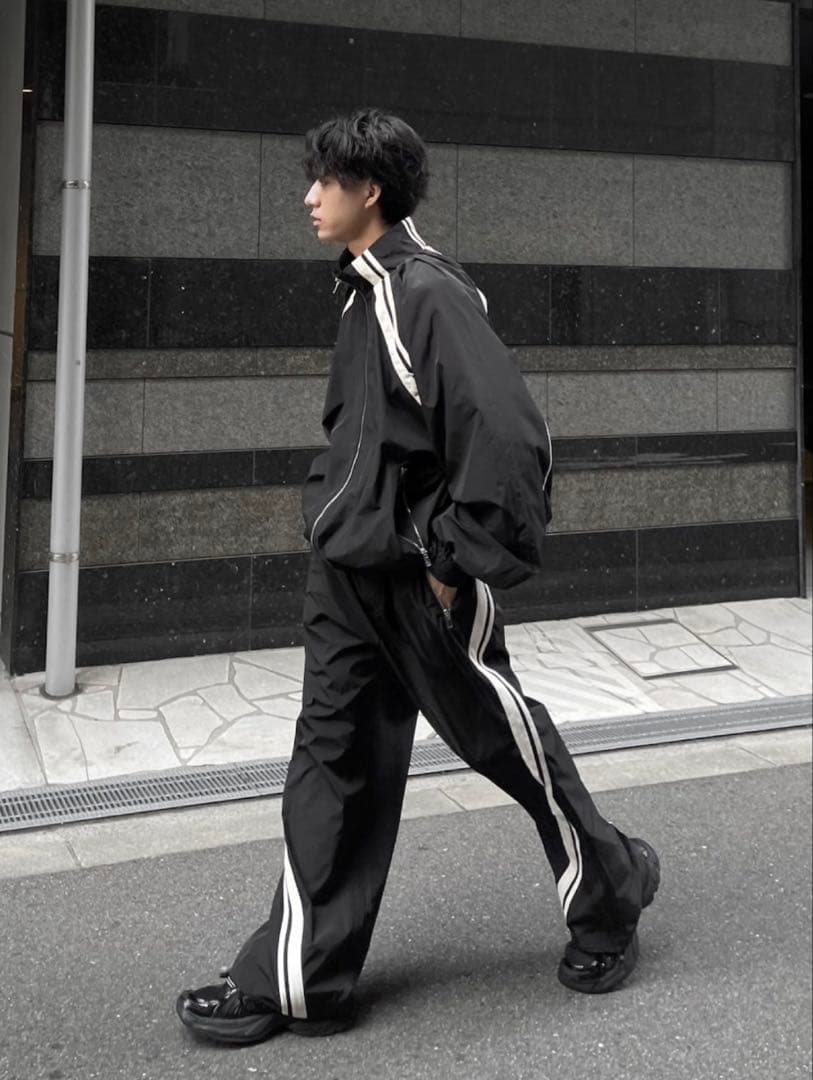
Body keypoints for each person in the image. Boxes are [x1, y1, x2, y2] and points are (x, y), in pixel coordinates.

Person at [176, 108, 660, 1046]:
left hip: (418, 577)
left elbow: (508, 436)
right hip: (346, 575)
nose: (308, 197)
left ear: (369, 190)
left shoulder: (423, 289)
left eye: (324, 180)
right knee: (332, 761)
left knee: (503, 745)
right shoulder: (364, 290)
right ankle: (300, 980)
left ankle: (612, 889)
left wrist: (453, 560)